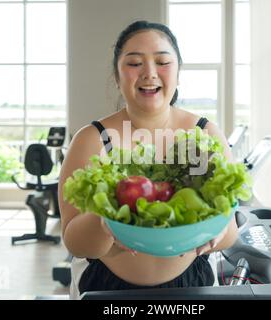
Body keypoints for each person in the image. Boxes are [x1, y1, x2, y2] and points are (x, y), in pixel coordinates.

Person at [59, 20, 239, 298]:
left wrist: (214, 230)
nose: (149, 73)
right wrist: (105, 223)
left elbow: (230, 234)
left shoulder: (205, 134)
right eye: (134, 63)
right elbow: (74, 241)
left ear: (178, 73)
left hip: (191, 286)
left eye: (163, 62)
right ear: (117, 77)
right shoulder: (93, 139)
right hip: (105, 288)